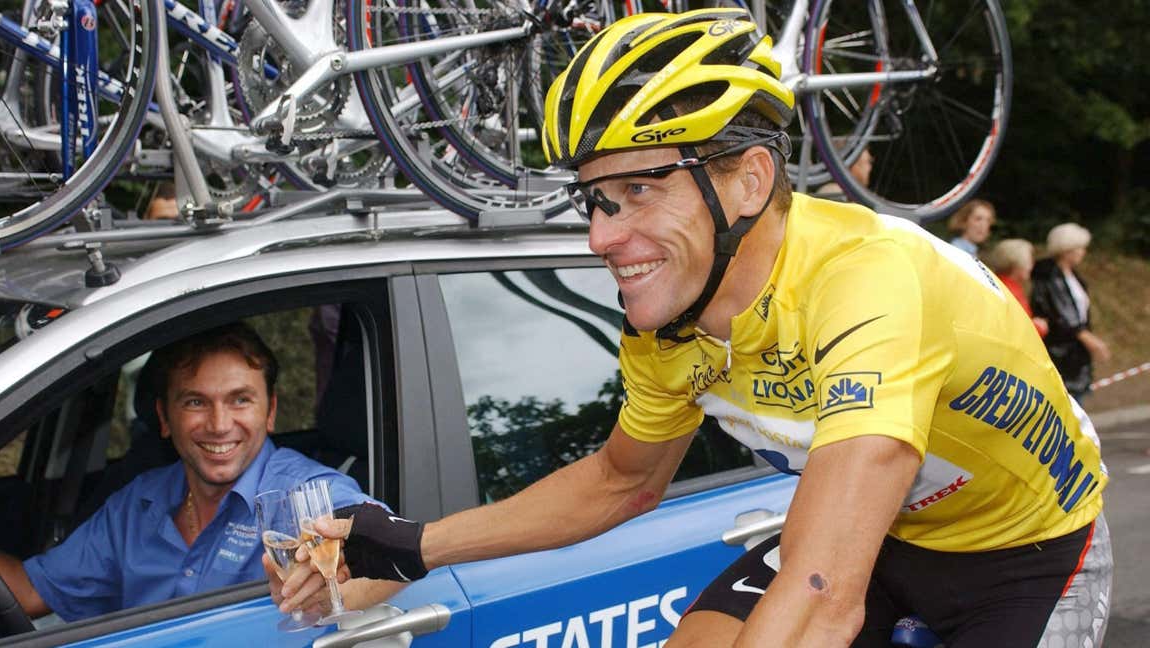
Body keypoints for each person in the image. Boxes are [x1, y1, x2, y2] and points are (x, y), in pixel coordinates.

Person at [280, 10, 1111, 647]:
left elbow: (823, 602)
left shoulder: (865, 283)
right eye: (595, 200)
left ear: (749, 180)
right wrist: (413, 546)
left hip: (1026, 552)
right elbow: (620, 481)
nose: (603, 236)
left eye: (640, 189)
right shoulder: (672, 327)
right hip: (890, 530)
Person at [0, 322, 379, 622]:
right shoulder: (139, 500)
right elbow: (27, 592)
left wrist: (350, 561)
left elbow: (390, 550)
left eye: (240, 400)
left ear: (270, 412)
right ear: (164, 418)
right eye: (196, 403)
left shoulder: (304, 492)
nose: (219, 424)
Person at [1031, 223, 1111, 403]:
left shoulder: (1072, 276)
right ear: (1067, 250)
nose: (1083, 252)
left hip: (1075, 351)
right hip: (1061, 350)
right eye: (1079, 248)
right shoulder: (1051, 278)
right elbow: (1063, 314)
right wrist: (1089, 339)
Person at [987, 238, 1049, 337]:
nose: (1031, 266)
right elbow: (1015, 330)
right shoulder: (1008, 291)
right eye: (1029, 261)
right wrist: (1039, 327)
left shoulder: (1002, 284)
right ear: (1016, 264)